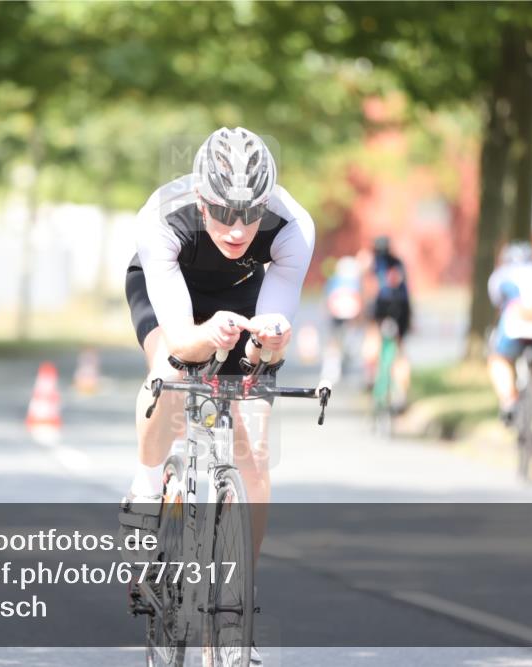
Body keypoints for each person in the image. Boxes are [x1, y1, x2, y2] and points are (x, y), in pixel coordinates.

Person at [121, 127, 315, 665]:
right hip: (172, 287)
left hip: (248, 292)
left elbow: (265, 355)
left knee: (252, 439)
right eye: (224, 214)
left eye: (249, 215)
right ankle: (146, 484)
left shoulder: (293, 226)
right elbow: (183, 339)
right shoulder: (162, 217)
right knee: (171, 374)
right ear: (202, 198)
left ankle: (238, 603)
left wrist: (268, 346)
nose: (236, 228)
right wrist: (205, 338)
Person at [487, 240, 532, 452]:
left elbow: (497, 301)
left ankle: (509, 401)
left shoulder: (501, 274)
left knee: (497, 359)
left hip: (513, 326)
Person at [359, 236, 412, 410]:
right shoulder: (398, 263)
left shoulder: (373, 263)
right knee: (399, 351)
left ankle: (370, 377)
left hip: (380, 308)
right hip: (401, 310)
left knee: (373, 338)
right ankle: (401, 394)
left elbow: (367, 287)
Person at [321, 255, 363, 382]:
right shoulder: (353, 281)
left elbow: (328, 298)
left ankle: (332, 367)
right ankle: (335, 365)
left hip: (340, 315)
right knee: (341, 341)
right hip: (346, 315)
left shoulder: (335, 280)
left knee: (335, 341)